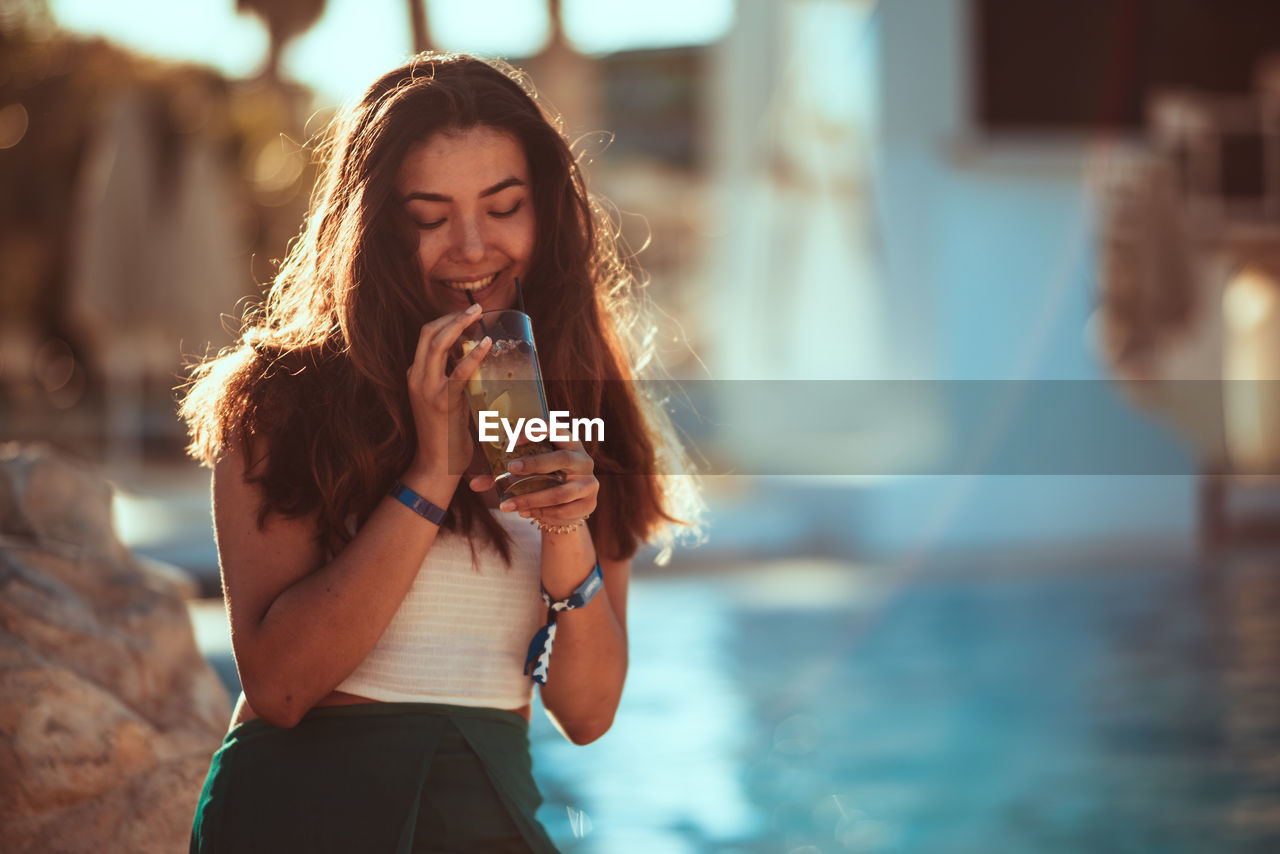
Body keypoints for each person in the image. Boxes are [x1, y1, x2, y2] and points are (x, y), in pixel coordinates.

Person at [181, 52, 702, 853]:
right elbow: (280, 688)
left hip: (488, 817)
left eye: (504, 207)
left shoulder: (586, 400)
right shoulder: (281, 395)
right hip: (298, 818)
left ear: (548, 213)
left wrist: (565, 529)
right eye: (430, 216)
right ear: (377, 226)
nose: (471, 246)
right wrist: (429, 472)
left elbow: (589, 714)